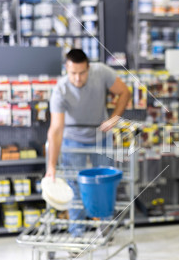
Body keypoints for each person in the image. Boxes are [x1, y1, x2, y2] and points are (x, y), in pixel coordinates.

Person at [46, 49, 130, 237]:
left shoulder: (101, 72)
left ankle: (106, 230)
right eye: (73, 73)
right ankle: (76, 234)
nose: (77, 78)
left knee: (104, 184)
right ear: (66, 69)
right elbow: (56, 129)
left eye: (82, 72)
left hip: (101, 138)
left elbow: (124, 92)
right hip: (73, 140)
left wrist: (114, 119)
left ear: (89, 68)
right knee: (75, 188)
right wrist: (51, 166)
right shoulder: (60, 90)